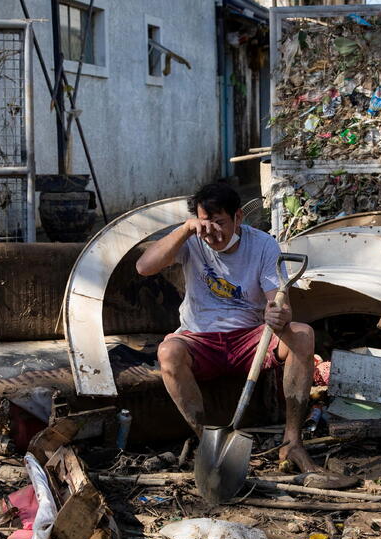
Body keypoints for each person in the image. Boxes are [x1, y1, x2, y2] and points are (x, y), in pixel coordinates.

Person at [136, 183, 351, 484]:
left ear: (238, 217)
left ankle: (292, 443)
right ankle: (208, 445)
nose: (211, 233)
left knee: (301, 334)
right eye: (204, 223)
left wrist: (278, 313)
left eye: (220, 223)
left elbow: (280, 302)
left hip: (251, 338)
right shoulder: (193, 240)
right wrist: (186, 229)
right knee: (167, 352)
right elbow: (144, 266)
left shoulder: (262, 245)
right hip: (199, 338)